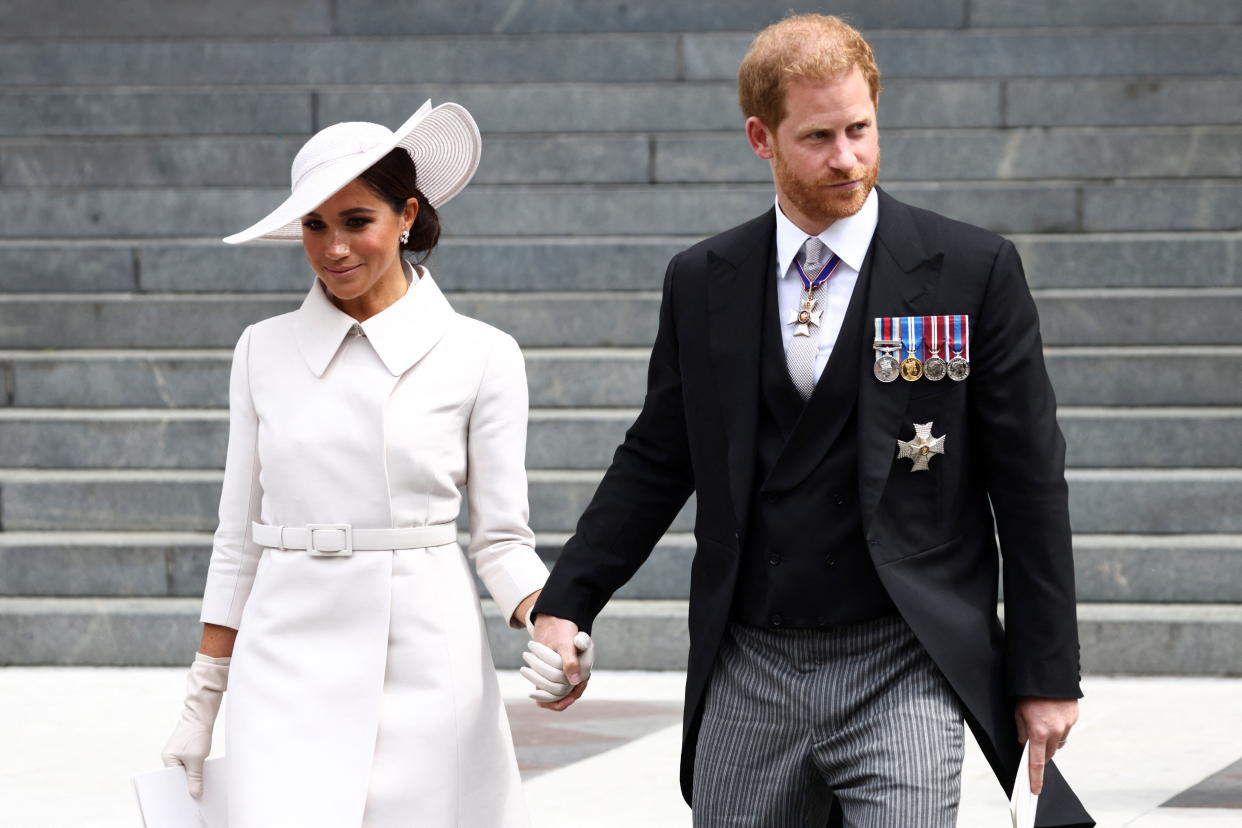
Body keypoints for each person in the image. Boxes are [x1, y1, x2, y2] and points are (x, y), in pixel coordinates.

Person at [531, 15, 1093, 827]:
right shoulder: (702, 279)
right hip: (749, 659)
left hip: (905, 656)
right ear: (761, 137)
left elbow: (1032, 481)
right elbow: (657, 456)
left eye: (861, 129)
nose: (848, 158)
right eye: (819, 137)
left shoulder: (972, 271)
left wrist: (1046, 674)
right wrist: (566, 602)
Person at [159, 102, 580, 827]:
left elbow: (503, 541)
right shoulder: (261, 348)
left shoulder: (483, 353)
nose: (333, 248)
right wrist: (203, 698)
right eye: (314, 226)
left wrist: (555, 626)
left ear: (407, 215)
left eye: (356, 221)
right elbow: (236, 539)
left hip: (425, 658)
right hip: (282, 656)